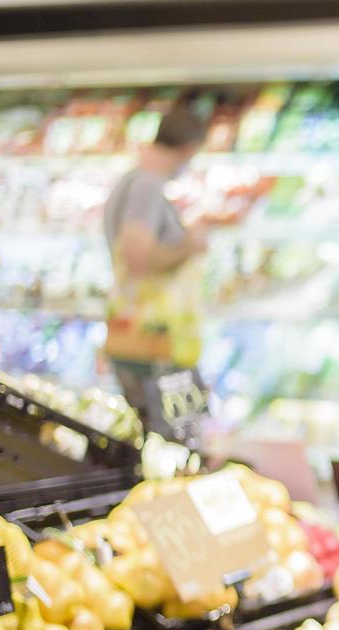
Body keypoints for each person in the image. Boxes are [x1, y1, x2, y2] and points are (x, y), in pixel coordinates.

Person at [102, 106, 209, 416]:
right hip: (155, 342)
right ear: (189, 149)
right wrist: (189, 245)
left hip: (137, 336)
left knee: (156, 438)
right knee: (183, 439)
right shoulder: (146, 186)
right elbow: (138, 257)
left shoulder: (134, 181)